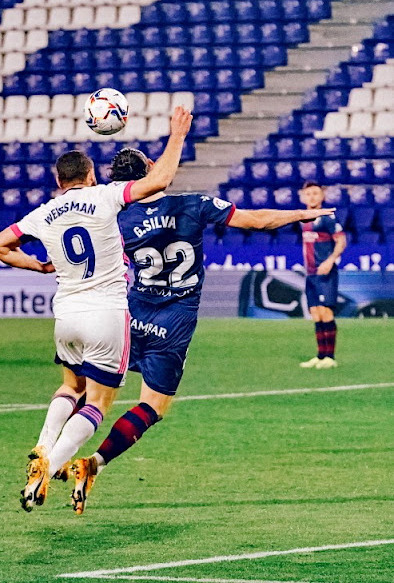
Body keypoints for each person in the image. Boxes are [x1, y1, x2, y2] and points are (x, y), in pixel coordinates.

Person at [70, 149, 338, 514]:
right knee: (152, 406)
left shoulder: (114, 216)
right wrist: (300, 215)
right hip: (174, 322)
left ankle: (53, 454)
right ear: (152, 170)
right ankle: (95, 463)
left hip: (130, 315)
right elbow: (257, 221)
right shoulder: (194, 204)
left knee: (94, 398)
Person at [0, 106, 193, 511]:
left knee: (70, 387)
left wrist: (39, 265)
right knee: (98, 402)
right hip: (106, 314)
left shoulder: (44, 212)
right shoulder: (105, 196)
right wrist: (177, 135)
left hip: (65, 314)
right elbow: (160, 179)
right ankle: (52, 463)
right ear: (92, 175)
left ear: (58, 181)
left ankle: (43, 446)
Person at [299, 181, 347, 370]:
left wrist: (330, 261)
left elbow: (341, 241)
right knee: (316, 313)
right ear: (303, 197)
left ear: (322, 197)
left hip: (324, 272)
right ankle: (320, 356)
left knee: (326, 312)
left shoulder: (327, 218)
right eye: (308, 193)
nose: (311, 197)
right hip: (310, 273)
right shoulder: (303, 219)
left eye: (315, 193)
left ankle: (330, 356)